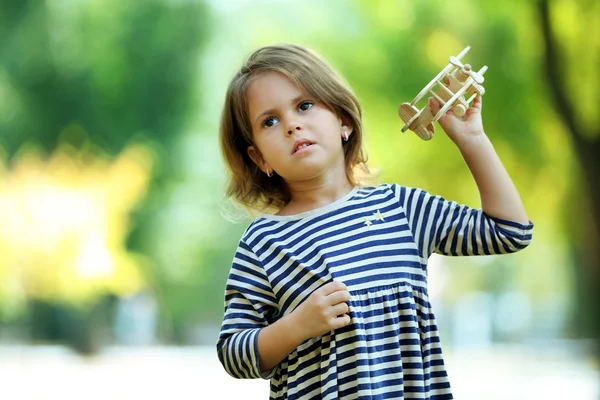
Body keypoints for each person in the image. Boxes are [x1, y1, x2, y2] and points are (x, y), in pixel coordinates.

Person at [216, 43, 533, 399]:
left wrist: (472, 140)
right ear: (260, 159)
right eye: (269, 121)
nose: (292, 125)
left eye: (304, 105)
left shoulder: (402, 208)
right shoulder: (263, 243)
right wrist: (297, 325)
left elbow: (510, 232)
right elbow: (233, 353)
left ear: (344, 122)